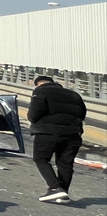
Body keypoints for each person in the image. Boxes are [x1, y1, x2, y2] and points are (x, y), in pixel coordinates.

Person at [28, 75, 87, 203]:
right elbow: (82, 114)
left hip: (47, 132)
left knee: (41, 159)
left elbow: (33, 114)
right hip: (73, 134)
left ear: (38, 84)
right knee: (65, 164)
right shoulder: (74, 95)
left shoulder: (40, 91)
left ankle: (55, 189)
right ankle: (63, 193)